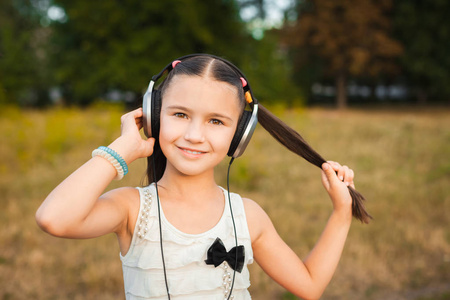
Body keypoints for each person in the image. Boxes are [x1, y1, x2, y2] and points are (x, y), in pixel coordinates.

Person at [36, 54, 362, 300]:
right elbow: (55, 219)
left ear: (239, 135)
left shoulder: (246, 216)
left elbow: (309, 285)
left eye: (216, 121)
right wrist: (122, 149)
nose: (194, 135)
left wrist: (341, 213)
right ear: (153, 117)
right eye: (180, 114)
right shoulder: (133, 209)